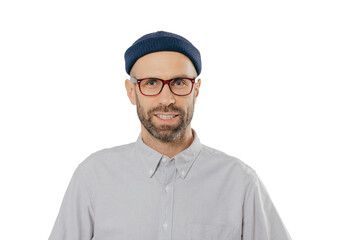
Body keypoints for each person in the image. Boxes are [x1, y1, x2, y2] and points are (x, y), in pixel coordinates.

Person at [48, 30, 292, 240]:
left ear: (195, 90)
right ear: (132, 91)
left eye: (179, 82)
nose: (167, 99)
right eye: (151, 83)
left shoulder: (240, 182)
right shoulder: (92, 177)